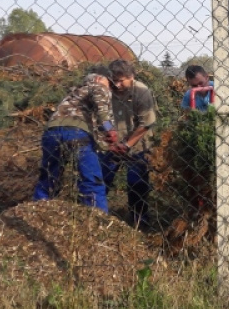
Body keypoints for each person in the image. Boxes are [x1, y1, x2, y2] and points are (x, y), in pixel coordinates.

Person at [34, 67, 120, 212]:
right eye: (110, 83)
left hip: (51, 132)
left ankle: (38, 211)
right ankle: (97, 218)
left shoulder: (73, 93)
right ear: (98, 78)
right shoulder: (99, 87)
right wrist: (110, 130)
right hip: (76, 134)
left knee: (49, 177)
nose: (111, 87)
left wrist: (104, 143)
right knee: (92, 180)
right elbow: (102, 112)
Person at [102, 59, 158, 228]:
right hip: (113, 144)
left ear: (131, 77)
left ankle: (139, 222)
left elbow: (146, 123)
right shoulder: (107, 90)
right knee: (102, 179)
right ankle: (95, 214)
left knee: (137, 184)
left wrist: (127, 145)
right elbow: (103, 116)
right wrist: (109, 135)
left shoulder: (142, 91)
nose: (117, 85)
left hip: (138, 145)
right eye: (114, 80)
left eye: (121, 81)